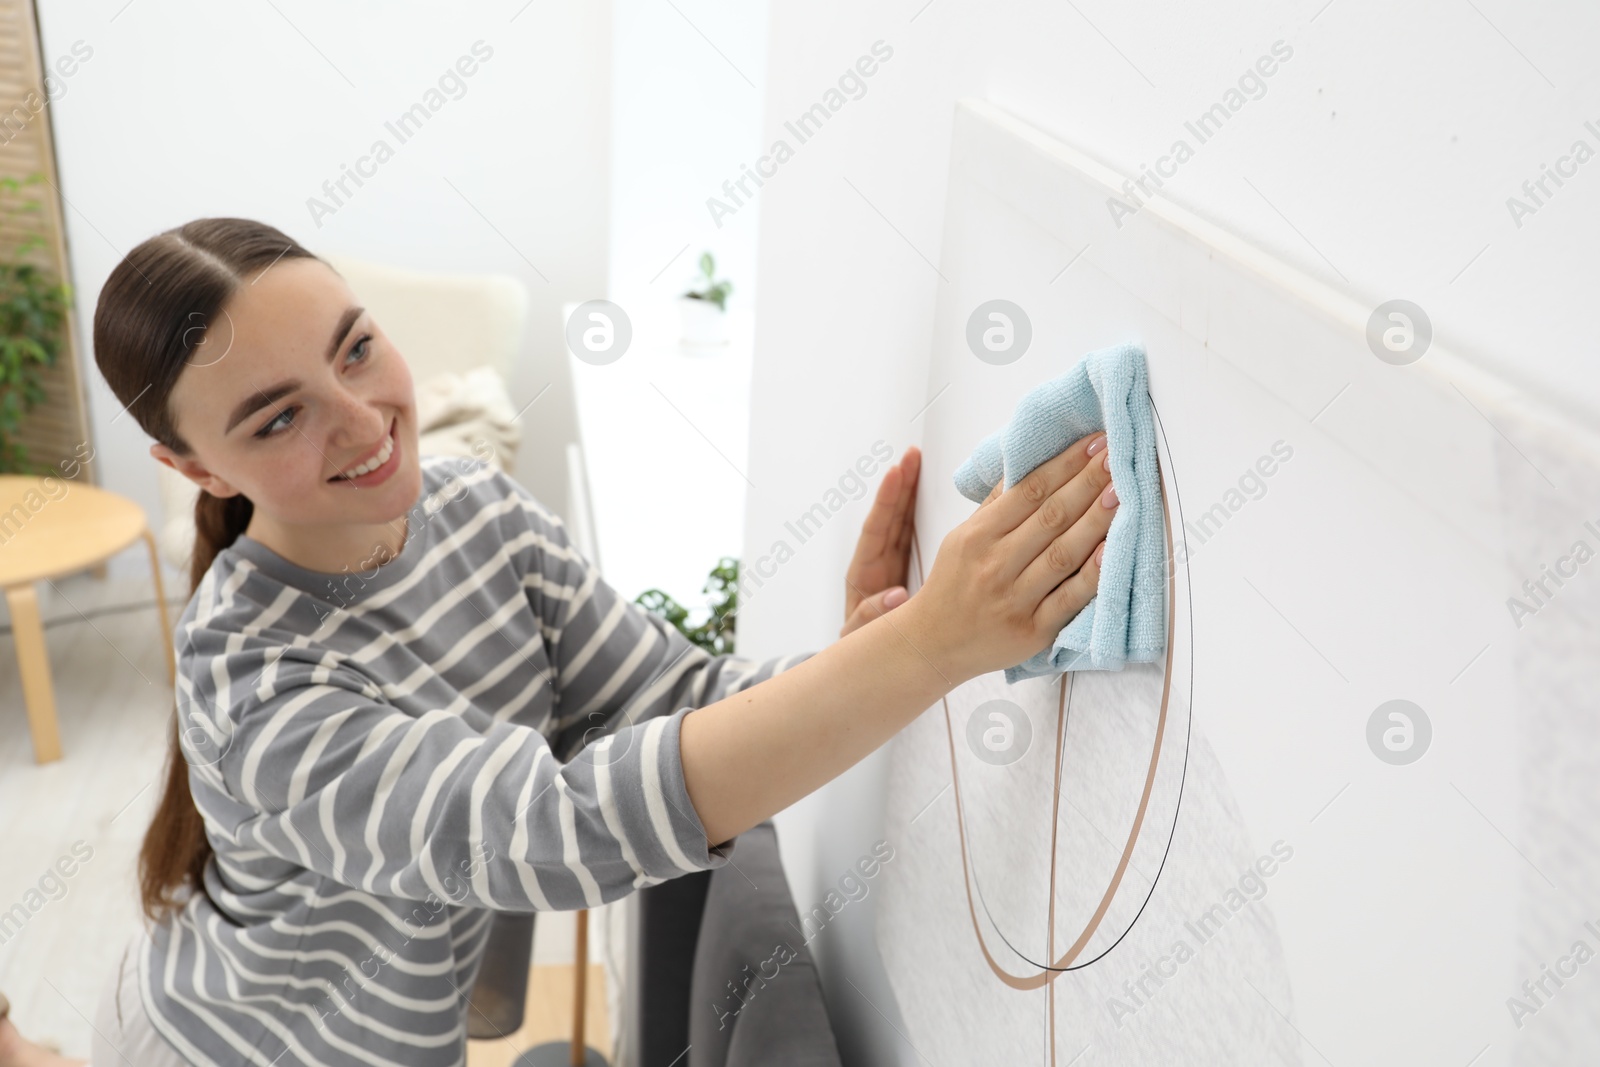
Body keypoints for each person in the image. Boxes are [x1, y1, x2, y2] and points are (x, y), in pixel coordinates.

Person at [0, 217, 1117, 1067]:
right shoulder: (255, 683)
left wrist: (860, 648)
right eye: (276, 416)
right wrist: (924, 646)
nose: (360, 416)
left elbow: (679, 695)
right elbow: (554, 829)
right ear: (194, 468)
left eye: (355, 348)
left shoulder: (478, 512)